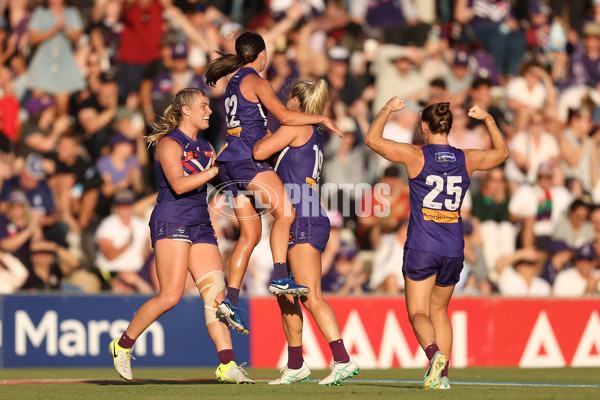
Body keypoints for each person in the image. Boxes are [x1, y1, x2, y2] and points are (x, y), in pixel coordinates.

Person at [108, 88, 254, 384]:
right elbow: (178, 184)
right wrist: (216, 171)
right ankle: (122, 345)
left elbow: (220, 183)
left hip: (200, 223)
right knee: (170, 296)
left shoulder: (208, 147)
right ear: (186, 110)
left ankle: (228, 364)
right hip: (171, 220)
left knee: (217, 296)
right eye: (203, 106)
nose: (209, 111)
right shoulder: (168, 142)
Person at [365, 98, 509, 389]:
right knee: (440, 311)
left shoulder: (415, 155)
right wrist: (488, 118)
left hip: (421, 245)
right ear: (450, 126)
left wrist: (386, 110)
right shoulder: (467, 158)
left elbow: (372, 140)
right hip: (454, 247)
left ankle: (434, 355)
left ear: (424, 127)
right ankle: (442, 379)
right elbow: (503, 153)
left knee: (418, 312)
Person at [204, 31, 341, 334]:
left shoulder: (232, 83)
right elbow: (283, 115)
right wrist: (319, 118)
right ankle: (281, 276)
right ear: (262, 55)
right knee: (287, 213)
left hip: (228, 163)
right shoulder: (256, 81)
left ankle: (231, 299)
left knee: (249, 236)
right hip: (247, 161)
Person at [252, 79, 359, 385]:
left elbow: (259, 151)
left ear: (297, 104)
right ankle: (296, 363)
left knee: (310, 295)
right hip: (303, 217)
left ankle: (342, 358)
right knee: (287, 297)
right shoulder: (311, 131)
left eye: (288, 101)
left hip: (304, 218)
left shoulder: (297, 127)